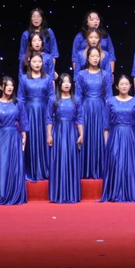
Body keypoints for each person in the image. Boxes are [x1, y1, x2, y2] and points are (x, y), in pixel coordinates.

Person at [100, 74, 135, 203]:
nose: (124, 86)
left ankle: (131, 192)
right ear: (117, 86)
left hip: (130, 134)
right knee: (116, 162)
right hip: (115, 135)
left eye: (126, 84)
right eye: (122, 84)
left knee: (129, 163)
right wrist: (106, 140)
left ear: (130, 86)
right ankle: (115, 192)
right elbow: (105, 123)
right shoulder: (110, 101)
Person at [74, 46, 113, 179]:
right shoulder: (81, 74)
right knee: (86, 136)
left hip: (100, 108)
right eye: (92, 56)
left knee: (99, 137)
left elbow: (109, 96)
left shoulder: (105, 74)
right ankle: (85, 170)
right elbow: (78, 96)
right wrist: (78, 112)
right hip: (86, 108)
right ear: (88, 58)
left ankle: (99, 169)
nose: (95, 58)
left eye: (97, 56)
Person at [0, 77, 28, 205]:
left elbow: (24, 121)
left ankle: (16, 194)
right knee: (2, 165)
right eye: (7, 85)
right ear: (1, 87)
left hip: (15, 137)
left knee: (15, 166)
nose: (10, 87)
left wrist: (24, 137)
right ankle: (2, 195)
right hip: (1, 137)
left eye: (12, 85)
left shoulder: (18, 103)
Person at [18, 51, 56, 182]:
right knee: (30, 138)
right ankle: (31, 169)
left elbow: (52, 97)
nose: (37, 64)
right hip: (28, 112)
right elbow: (21, 99)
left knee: (43, 137)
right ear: (29, 62)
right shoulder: (24, 79)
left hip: (43, 111)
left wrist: (50, 112)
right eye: (34, 61)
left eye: (39, 61)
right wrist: (22, 116)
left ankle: (44, 169)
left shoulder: (47, 78)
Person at [47, 73, 83, 204]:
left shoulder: (76, 100)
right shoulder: (53, 99)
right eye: (64, 82)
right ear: (59, 84)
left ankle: (72, 193)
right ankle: (58, 194)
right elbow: (48, 118)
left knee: (71, 160)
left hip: (72, 132)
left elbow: (79, 118)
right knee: (59, 160)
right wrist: (49, 134)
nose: (67, 84)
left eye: (68, 81)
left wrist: (81, 134)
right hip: (58, 132)